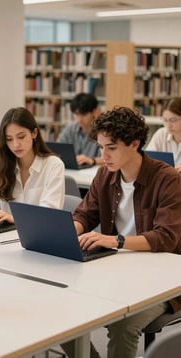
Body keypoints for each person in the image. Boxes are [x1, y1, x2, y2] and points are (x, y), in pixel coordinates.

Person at [61, 106, 181, 358]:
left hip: (163, 280)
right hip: (118, 271)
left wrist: (115, 240)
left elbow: (165, 238)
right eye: (101, 146)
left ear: (135, 143)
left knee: (123, 325)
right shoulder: (105, 174)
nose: (103, 155)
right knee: (62, 311)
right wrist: (65, 233)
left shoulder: (167, 179)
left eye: (111, 147)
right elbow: (85, 214)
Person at [0, 107, 65, 225]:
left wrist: (15, 219)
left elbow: (49, 214)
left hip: (40, 237)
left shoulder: (54, 165)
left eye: (21, 137)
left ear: (34, 133)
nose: (16, 144)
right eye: (9, 139)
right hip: (5, 237)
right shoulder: (1, 163)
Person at [57, 92, 103, 166]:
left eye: (83, 114)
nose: (79, 119)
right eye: (76, 114)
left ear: (95, 112)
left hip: (93, 173)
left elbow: (109, 159)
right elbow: (57, 150)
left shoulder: (103, 132)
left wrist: (92, 160)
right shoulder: (70, 128)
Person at [146, 97, 181, 173]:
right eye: (165, 120)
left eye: (172, 120)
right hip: (164, 180)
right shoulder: (161, 134)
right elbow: (148, 160)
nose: (168, 125)